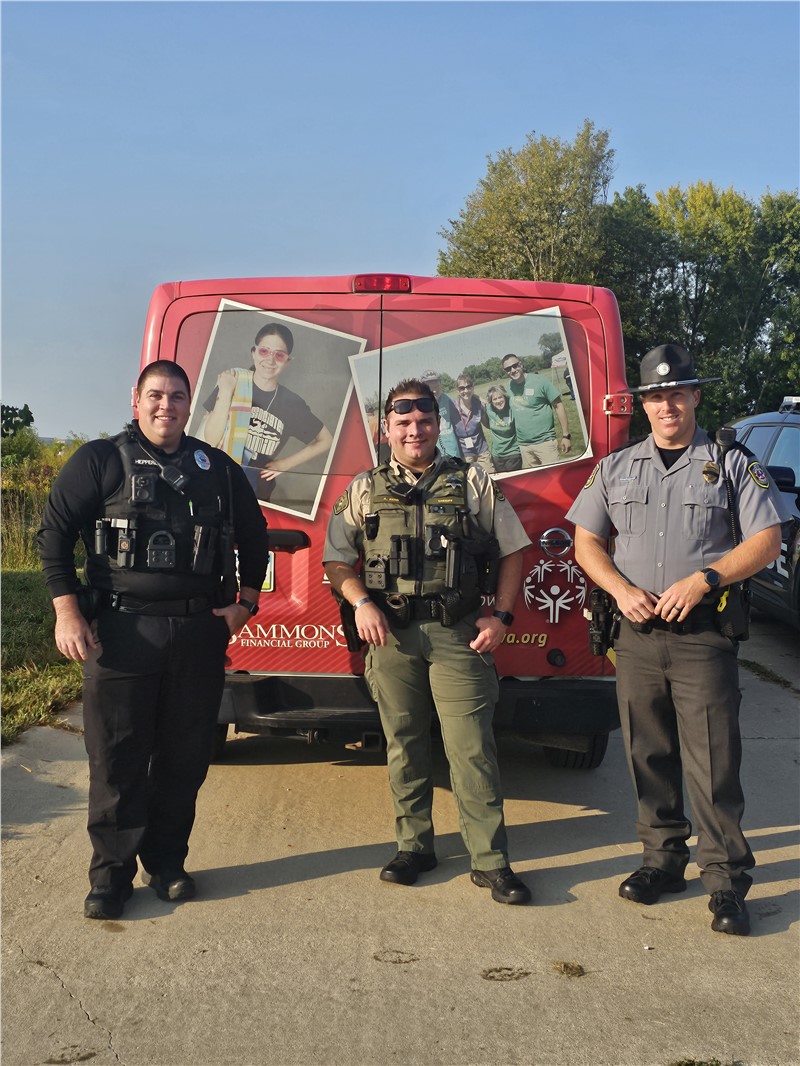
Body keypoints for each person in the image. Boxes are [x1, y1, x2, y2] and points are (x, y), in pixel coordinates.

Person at [566, 344, 788, 936]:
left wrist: (707, 577)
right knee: (648, 752)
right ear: (644, 405)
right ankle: (662, 863)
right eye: (656, 396)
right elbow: (586, 540)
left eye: (677, 392)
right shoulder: (616, 468)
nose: (667, 404)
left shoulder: (730, 463)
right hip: (637, 635)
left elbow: (767, 537)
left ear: (694, 396)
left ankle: (726, 881)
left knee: (713, 761)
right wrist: (617, 588)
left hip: (702, 637)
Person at [38, 361, 269, 921]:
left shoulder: (214, 467)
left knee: (184, 757)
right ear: (136, 399)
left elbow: (256, 537)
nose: (167, 405)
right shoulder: (100, 459)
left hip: (196, 633)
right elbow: (54, 534)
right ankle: (111, 877)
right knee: (116, 758)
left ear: (192, 404)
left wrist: (244, 604)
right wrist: (67, 611)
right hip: (120, 632)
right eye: (157, 395)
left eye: (178, 396)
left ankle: (166, 863)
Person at [323, 378, 532, 904]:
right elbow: (334, 559)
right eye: (403, 422)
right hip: (390, 635)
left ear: (439, 425)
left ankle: (490, 860)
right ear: (386, 428)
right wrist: (361, 601)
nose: (414, 430)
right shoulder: (365, 487)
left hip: (456, 631)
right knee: (404, 743)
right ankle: (414, 846)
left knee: (471, 748)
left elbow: (513, 551)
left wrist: (502, 615)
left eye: (424, 421)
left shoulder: (473, 483)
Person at [199, 322, 333, 502]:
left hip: (257, 496)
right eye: (264, 351)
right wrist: (225, 391)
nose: (270, 360)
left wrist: (284, 464)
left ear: (287, 361)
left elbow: (326, 440)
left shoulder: (292, 404)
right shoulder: (231, 381)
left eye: (279, 355)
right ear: (253, 353)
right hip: (217, 484)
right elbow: (211, 438)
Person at [502, 353, 572, 467]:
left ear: (521, 364)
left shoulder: (540, 381)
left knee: (554, 480)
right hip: (524, 447)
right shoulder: (508, 387)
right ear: (505, 372)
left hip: (545, 443)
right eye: (508, 369)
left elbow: (558, 405)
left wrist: (566, 436)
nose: (513, 370)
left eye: (515, 366)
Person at [453, 375, 494, 473]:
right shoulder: (453, 406)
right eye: (462, 388)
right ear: (457, 390)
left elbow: (487, 425)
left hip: (482, 451)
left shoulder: (479, 404)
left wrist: (486, 406)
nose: (466, 390)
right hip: (465, 454)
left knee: (491, 476)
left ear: (473, 387)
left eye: (468, 387)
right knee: (470, 482)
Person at [419, 369, 461, 459]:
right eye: (430, 386)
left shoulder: (447, 399)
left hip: (452, 450)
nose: (434, 390)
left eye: (436, 385)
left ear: (440, 384)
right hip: (432, 453)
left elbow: (457, 421)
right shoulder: (419, 404)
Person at [481, 384, 522, 473]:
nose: (498, 401)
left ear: (505, 397)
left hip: (513, 453)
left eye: (500, 397)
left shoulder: (512, 407)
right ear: (491, 401)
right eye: (494, 399)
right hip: (497, 455)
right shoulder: (489, 409)